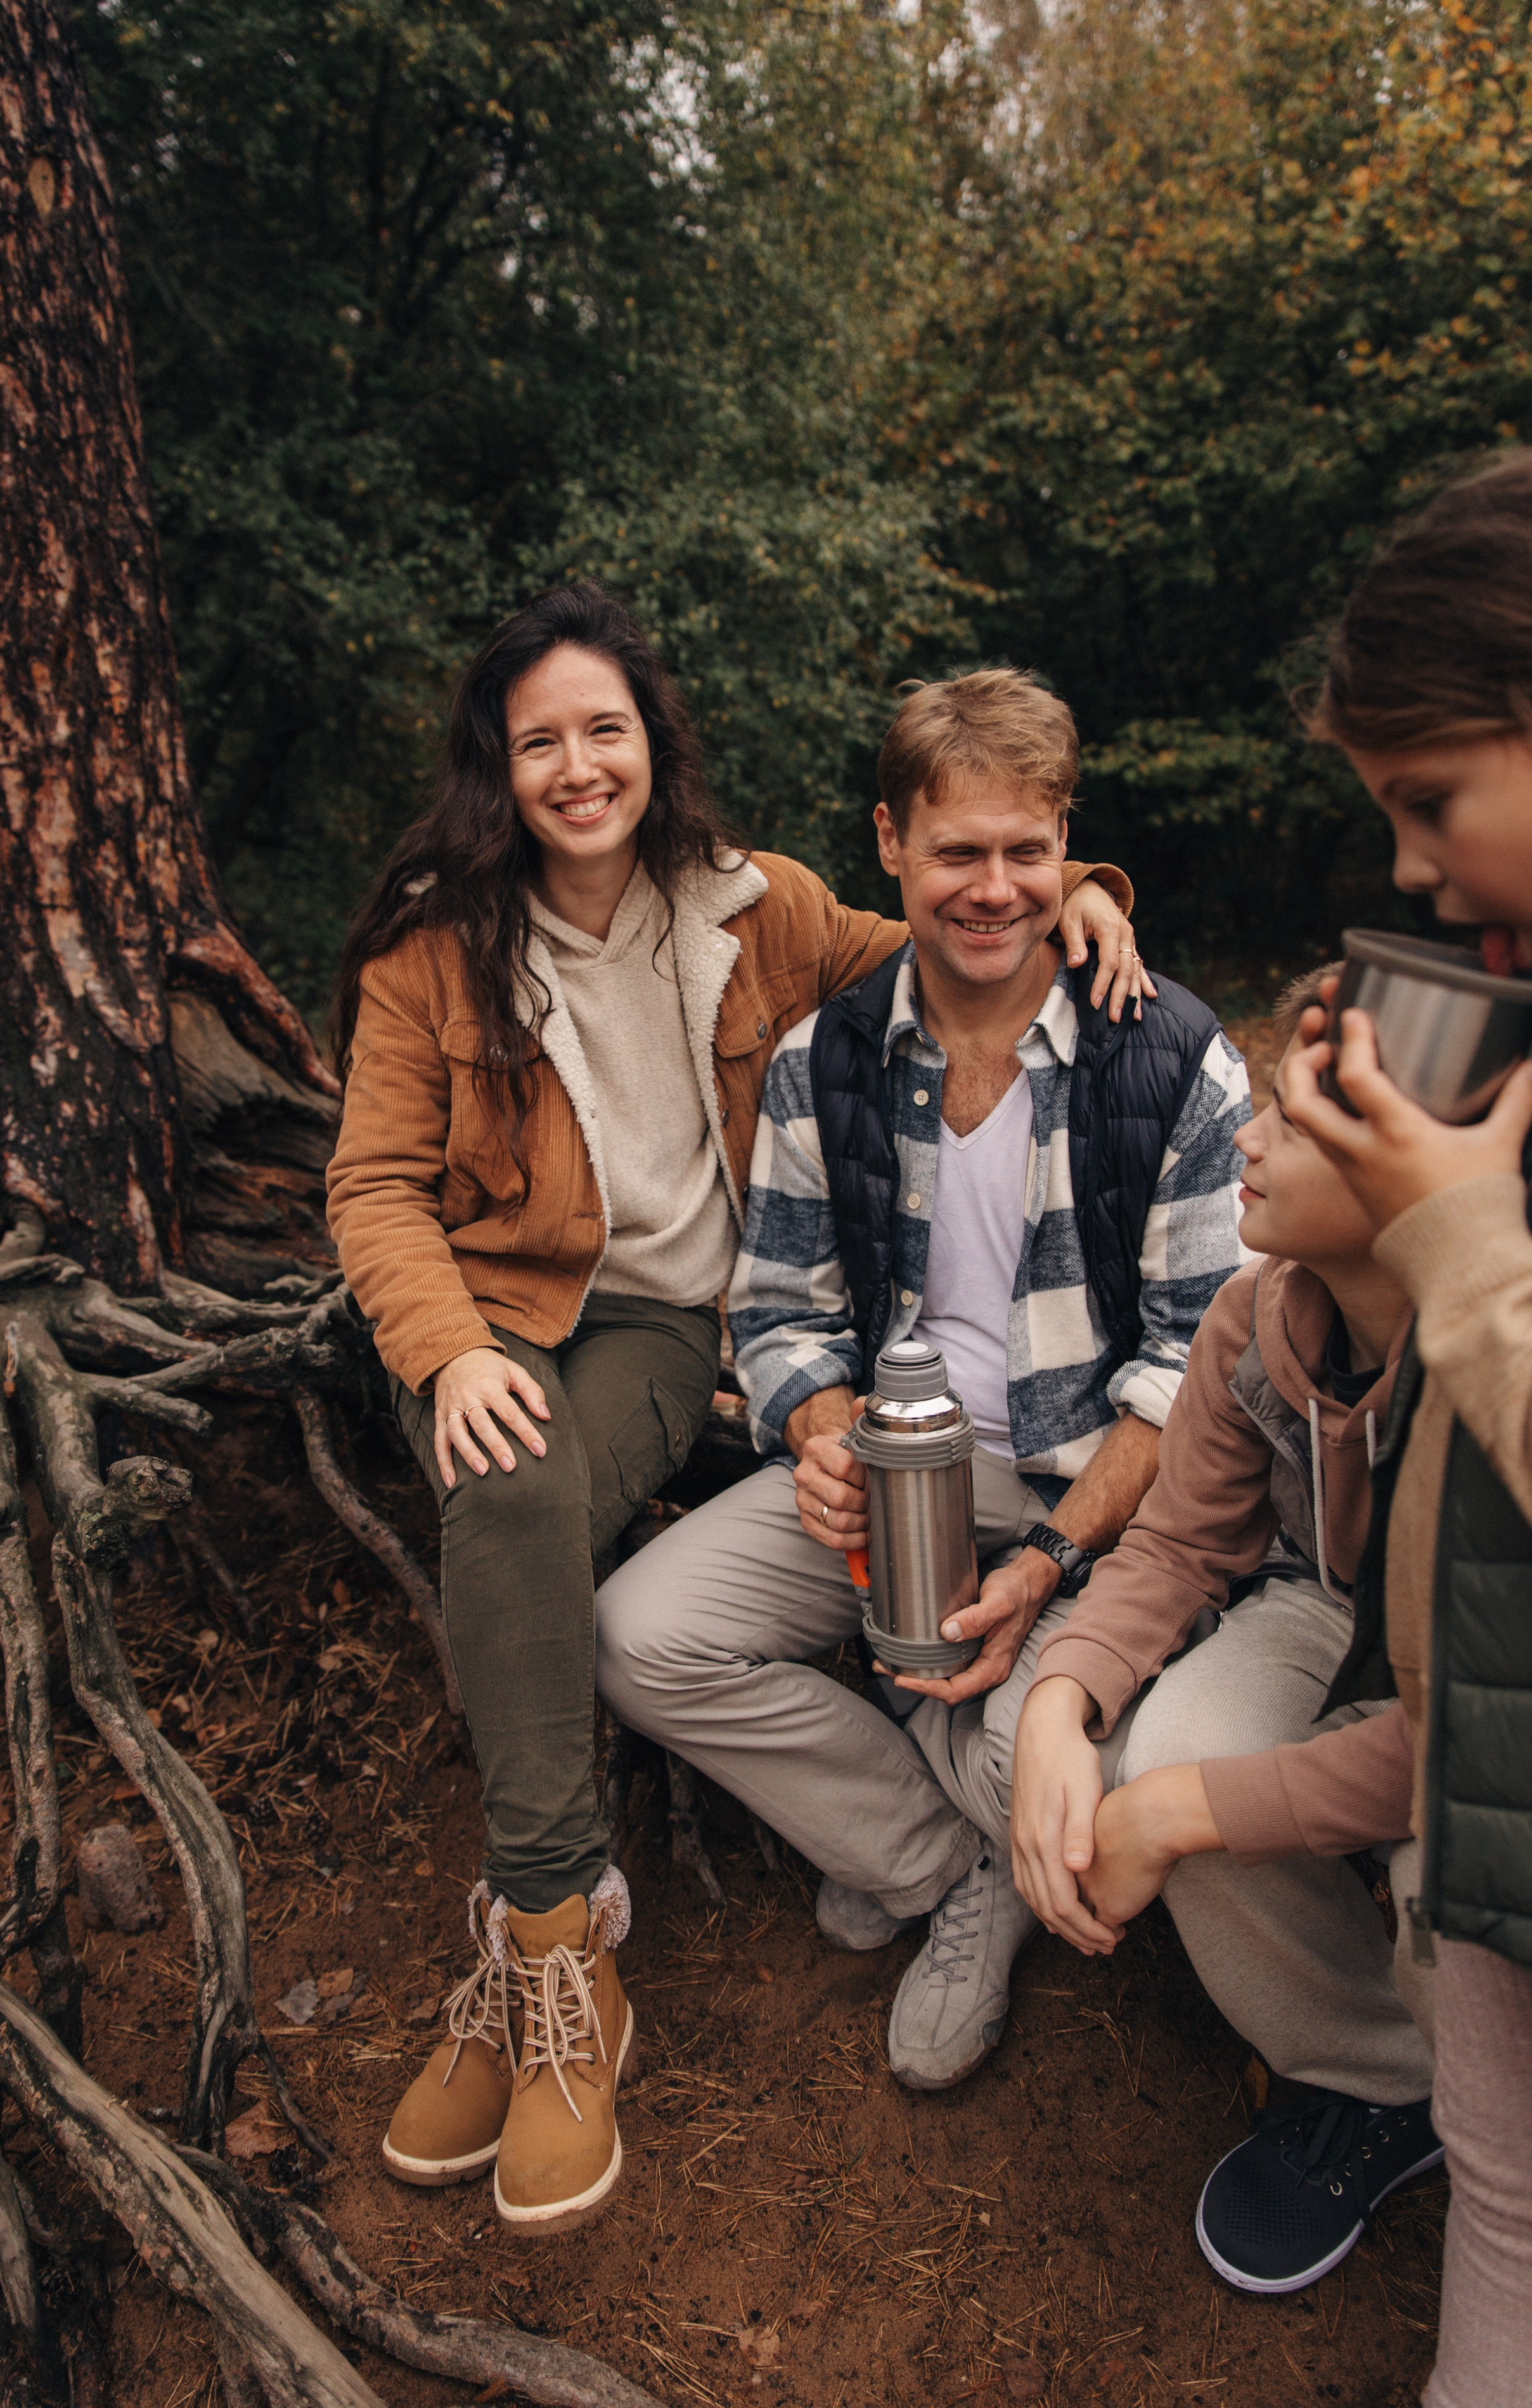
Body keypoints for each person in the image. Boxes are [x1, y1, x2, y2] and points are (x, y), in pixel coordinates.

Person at [325, 584, 1140, 2235]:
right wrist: (449, 1349)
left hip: (664, 1317)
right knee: (502, 1470)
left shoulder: (750, 906)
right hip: (495, 1305)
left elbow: (958, 919)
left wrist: (1096, 904)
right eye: (538, 739)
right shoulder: (432, 943)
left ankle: (563, 1959)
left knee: (538, 1499)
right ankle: (559, 1953)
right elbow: (371, 1185)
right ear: (499, 760)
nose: (575, 767)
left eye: (603, 731)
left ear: (651, 744)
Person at [596, 666, 1249, 2095]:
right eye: (957, 851)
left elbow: (1193, 1373)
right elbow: (776, 1305)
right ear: (888, 844)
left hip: (1096, 1493)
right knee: (643, 1636)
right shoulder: (821, 1062)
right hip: (899, 1470)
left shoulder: (1173, 1059)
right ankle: (939, 1860)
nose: (994, 888)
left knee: (1058, 1766)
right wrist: (822, 1431)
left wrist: (1058, 1558)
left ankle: (979, 1812)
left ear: (1069, 849)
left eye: (1028, 851)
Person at [1011, 973, 1439, 2300]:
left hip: (1476, 1681)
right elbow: (1181, 1543)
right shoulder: (1254, 1315)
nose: (1242, 1142)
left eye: (1293, 1128)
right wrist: (1054, 1700)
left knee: (1427, 1874)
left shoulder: (1495, 1360)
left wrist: (1186, 1811)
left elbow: (1471, 1736)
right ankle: (1379, 2078)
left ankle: (1490, 2098)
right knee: (1170, 1750)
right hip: (1326, 1602)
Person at [1266, 452, 1532, 2408]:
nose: (1421, 876)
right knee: (1506, 2207)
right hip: (1492, 1789)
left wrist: (1438, 1239)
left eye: (1434, 803)